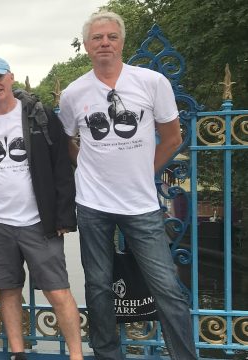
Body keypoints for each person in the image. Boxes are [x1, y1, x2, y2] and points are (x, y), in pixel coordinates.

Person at [58, 11, 195, 360]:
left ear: (121, 42)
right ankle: (108, 355)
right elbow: (64, 142)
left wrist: (143, 170)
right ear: (87, 46)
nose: (104, 42)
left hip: (142, 205)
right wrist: (87, 167)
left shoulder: (151, 83)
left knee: (167, 288)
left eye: (111, 37)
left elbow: (172, 137)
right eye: (97, 38)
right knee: (99, 287)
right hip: (93, 206)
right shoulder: (74, 93)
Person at [0, 57, 83, 360]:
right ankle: (18, 352)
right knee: (8, 290)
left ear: (11, 77)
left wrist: (64, 215)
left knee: (57, 291)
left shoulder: (39, 116)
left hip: (38, 221)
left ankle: (77, 355)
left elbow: (62, 168)